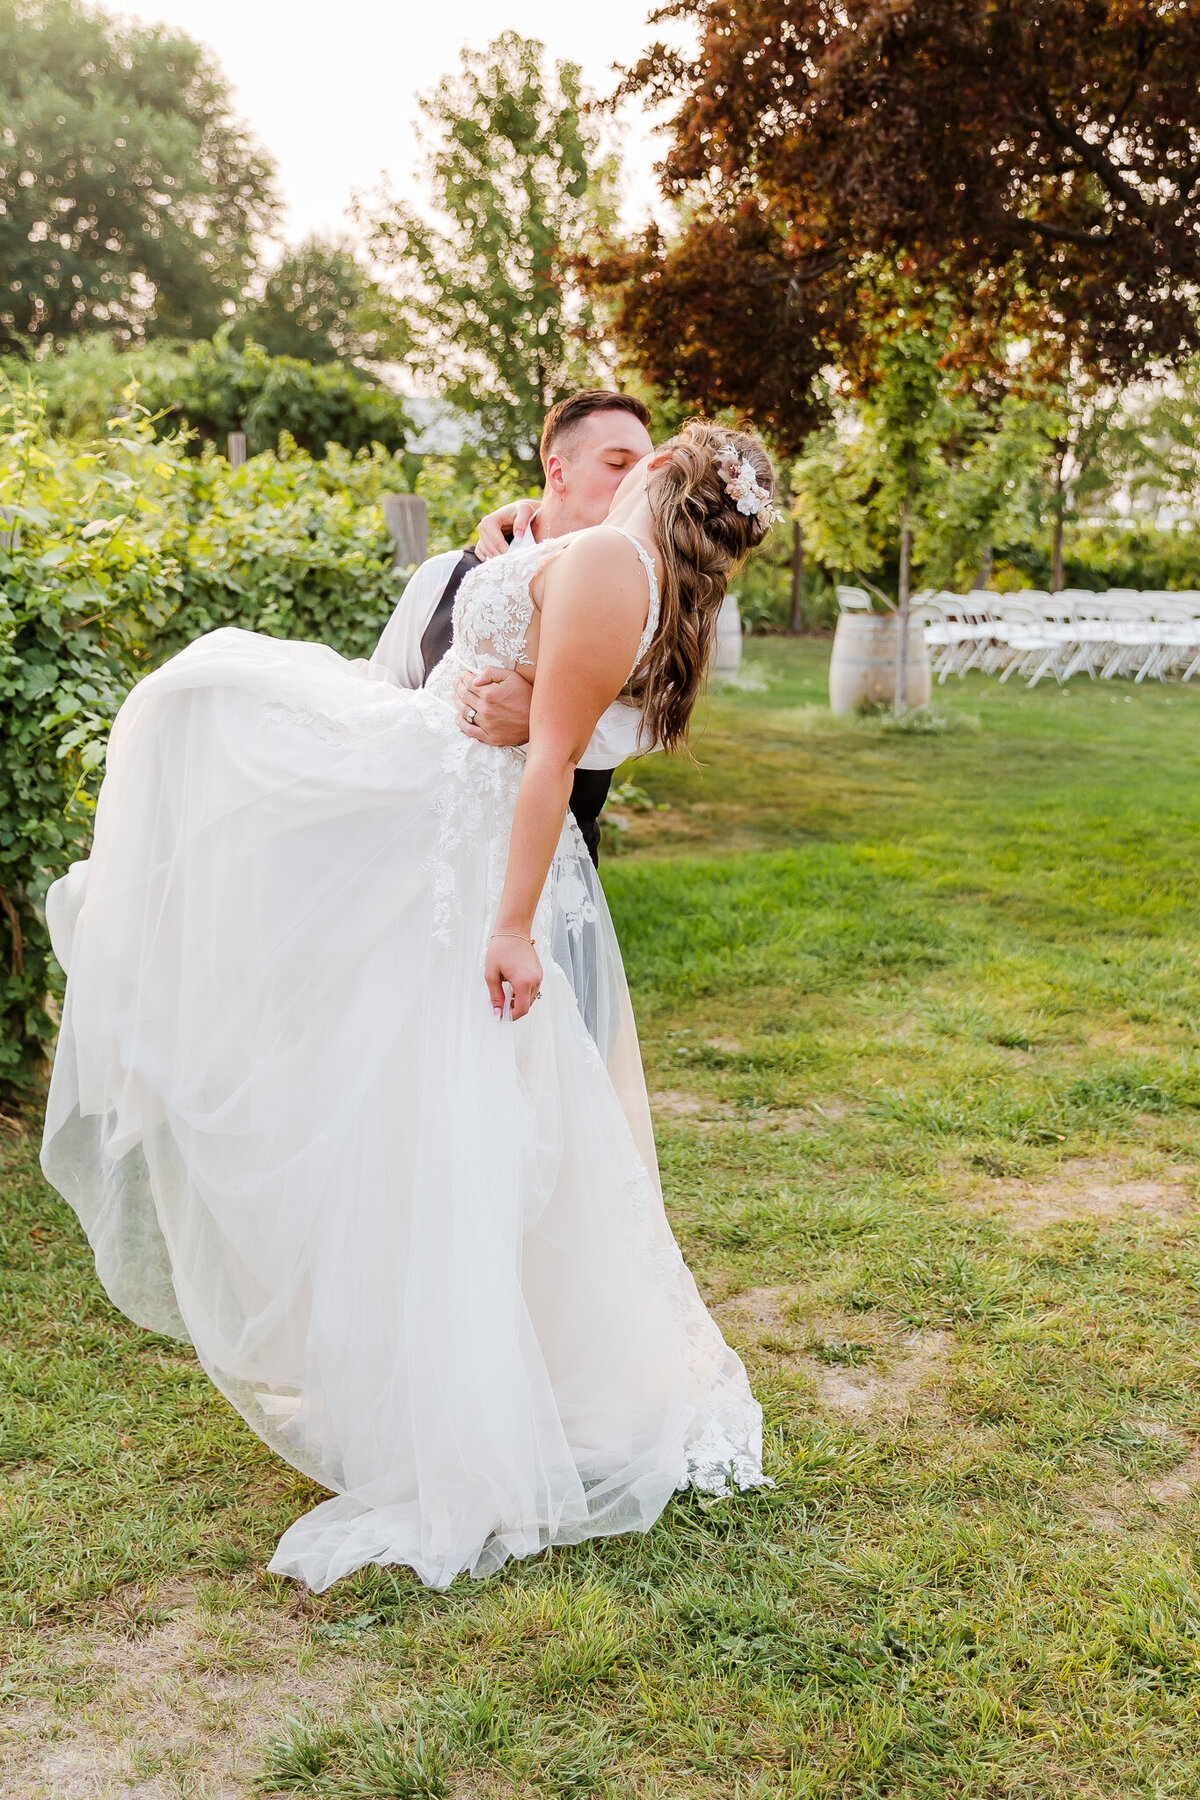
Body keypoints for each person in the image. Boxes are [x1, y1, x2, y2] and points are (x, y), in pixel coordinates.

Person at [39, 420, 777, 1595]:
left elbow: (553, 761)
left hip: (464, 850)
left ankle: (472, 1413)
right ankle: (425, 1380)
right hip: (425, 816)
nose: (626, 464)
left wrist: (504, 923)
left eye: (646, 452)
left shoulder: (606, 569)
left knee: (458, 1113)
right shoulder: (586, 557)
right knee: (214, 697)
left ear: (656, 478)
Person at [373, 389, 655, 865]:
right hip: (422, 859)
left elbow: (652, 721)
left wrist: (547, 723)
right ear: (558, 472)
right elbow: (386, 691)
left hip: (556, 874)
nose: (634, 485)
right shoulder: (443, 575)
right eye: (617, 464)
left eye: (644, 470)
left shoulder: (646, 595)